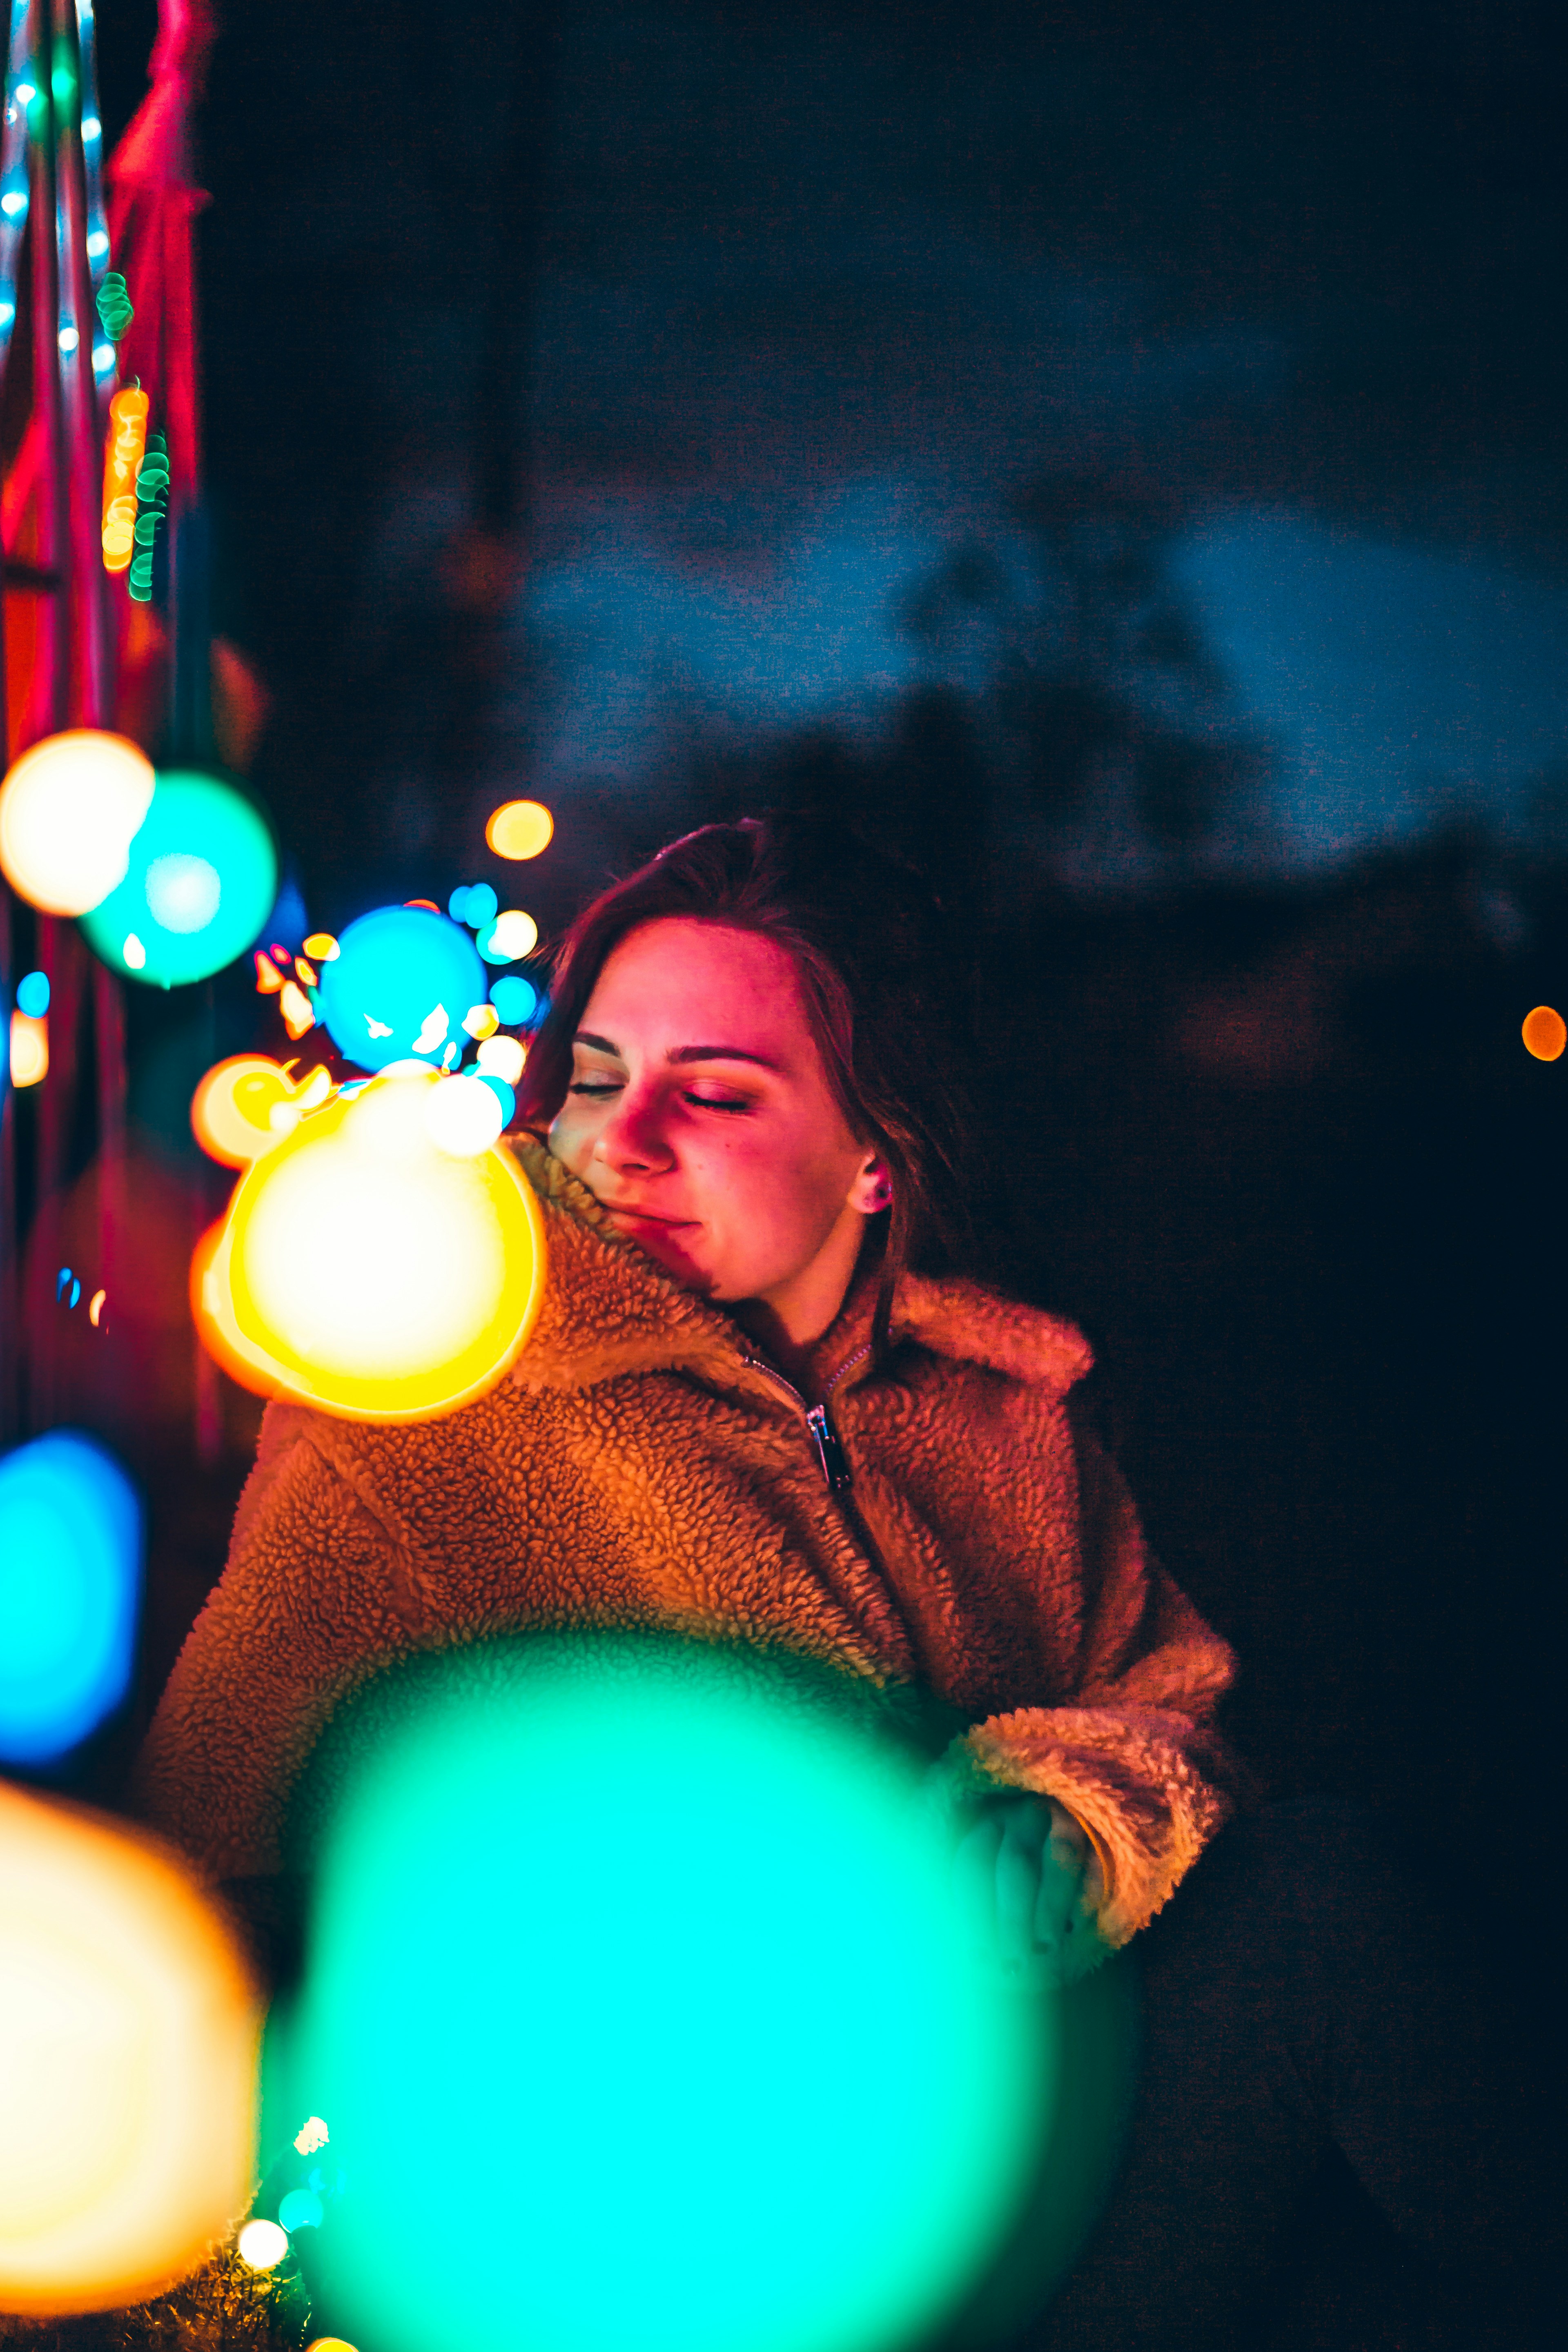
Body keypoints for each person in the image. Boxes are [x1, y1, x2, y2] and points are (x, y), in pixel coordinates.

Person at [134, 815, 1548, 2350]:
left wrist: (1054, 1803)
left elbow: (1169, 1696)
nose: (622, 1143)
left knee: (1334, 1931)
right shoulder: (430, 1418)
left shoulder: (1003, 1407)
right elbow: (211, 1888)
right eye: (596, 1080)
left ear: (877, 1156)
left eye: (716, 1093)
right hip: (686, 2246)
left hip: (1014, 2142)